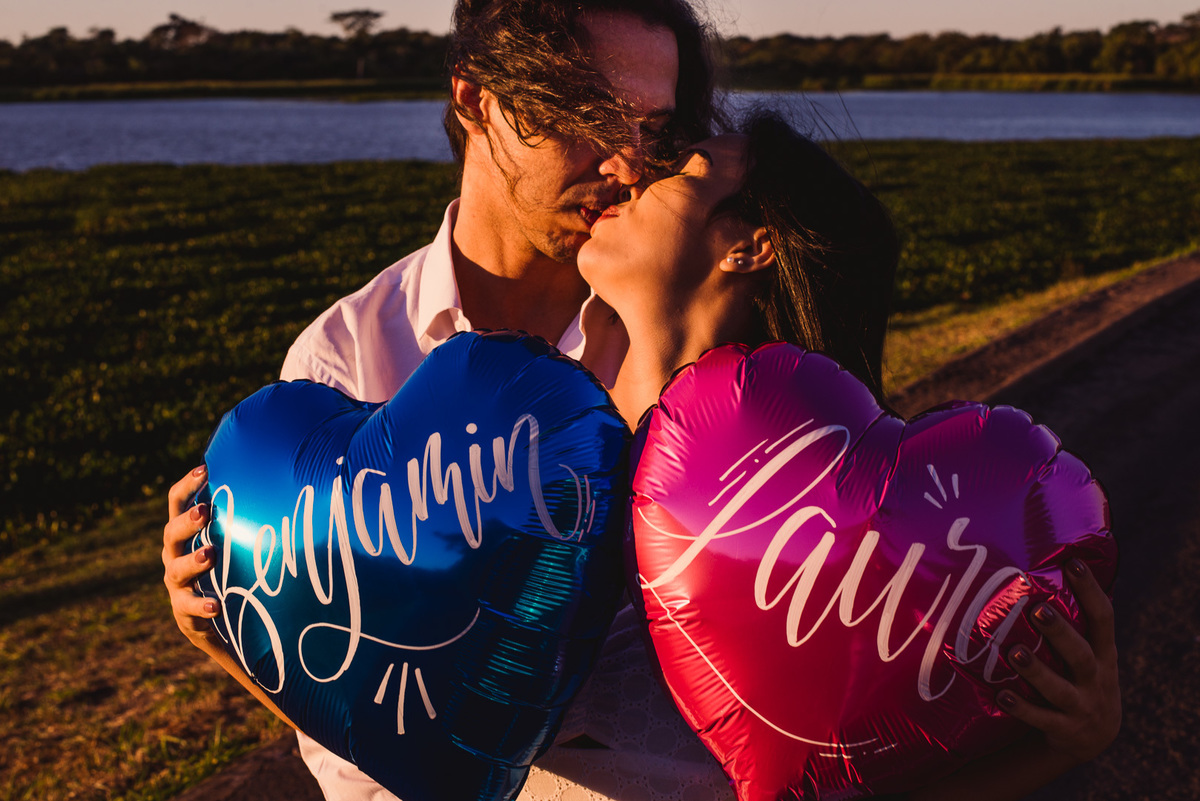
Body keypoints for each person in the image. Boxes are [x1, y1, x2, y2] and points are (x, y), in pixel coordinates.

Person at [162, 0, 724, 798]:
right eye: (589, 114)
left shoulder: (695, 325)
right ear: (476, 97)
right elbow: (355, 732)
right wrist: (232, 637)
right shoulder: (345, 358)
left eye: (651, 130)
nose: (629, 163)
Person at [573, 112, 1121, 800]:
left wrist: (1066, 744)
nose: (638, 175)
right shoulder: (514, 432)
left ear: (748, 246)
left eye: (689, 166)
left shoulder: (845, 530)